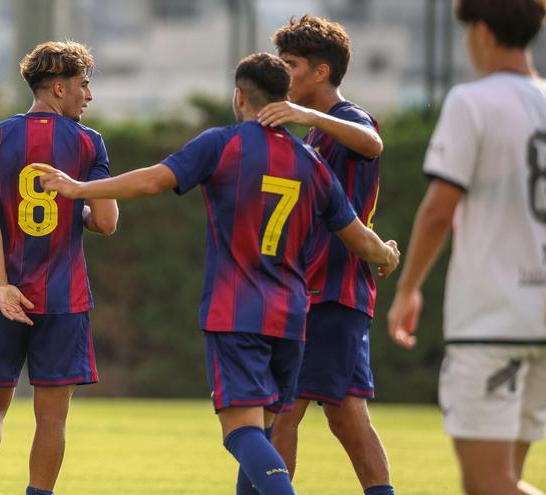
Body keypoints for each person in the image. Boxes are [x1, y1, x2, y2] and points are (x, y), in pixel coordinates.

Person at [35, 52, 400, 495]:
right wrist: (384, 253)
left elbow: (153, 180)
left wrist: (79, 188)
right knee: (263, 432)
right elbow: (356, 234)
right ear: (283, 99)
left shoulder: (223, 144)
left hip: (237, 313)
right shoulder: (311, 162)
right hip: (291, 319)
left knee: (241, 433)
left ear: (240, 96)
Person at [387, 0, 546, 493]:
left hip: (492, 319)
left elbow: (439, 209)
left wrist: (407, 289)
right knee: (507, 478)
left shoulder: (471, 102)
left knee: (486, 485)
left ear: (480, 32)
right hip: (541, 319)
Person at [0, 41, 118, 495]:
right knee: (52, 417)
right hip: (64, 299)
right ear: (58, 88)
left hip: (5, 296)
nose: (88, 96)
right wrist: (81, 214)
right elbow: (107, 222)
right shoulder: (90, 144)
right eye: (84, 86)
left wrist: (0, 283)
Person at [260, 15, 395, 495]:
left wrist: (308, 116)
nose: (283, 74)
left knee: (283, 410)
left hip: (331, 291)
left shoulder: (346, 120)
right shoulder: (316, 135)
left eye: (290, 65)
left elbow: (372, 142)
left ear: (320, 72)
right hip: (322, 289)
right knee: (346, 414)